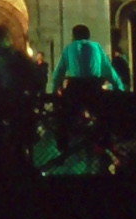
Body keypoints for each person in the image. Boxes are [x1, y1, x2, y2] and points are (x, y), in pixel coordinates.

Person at [52, 24, 123, 153]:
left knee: (64, 115)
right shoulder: (96, 47)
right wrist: (119, 87)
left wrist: (55, 88)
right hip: (94, 86)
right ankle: (105, 140)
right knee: (103, 113)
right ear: (88, 35)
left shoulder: (69, 48)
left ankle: (62, 143)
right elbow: (108, 70)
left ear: (74, 36)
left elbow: (59, 72)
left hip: (75, 86)